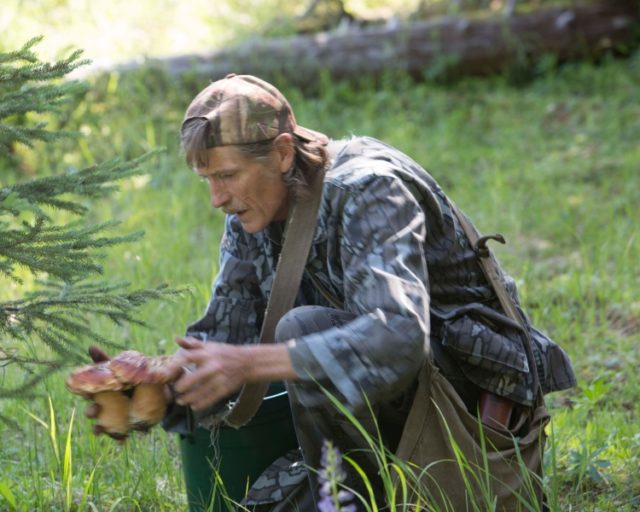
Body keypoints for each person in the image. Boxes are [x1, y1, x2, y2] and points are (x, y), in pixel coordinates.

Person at [85, 74, 576, 510]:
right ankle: (346, 494)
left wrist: (251, 362)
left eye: (227, 175)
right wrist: (157, 387)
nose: (216, 197)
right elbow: (224, 341)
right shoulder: (249, 218)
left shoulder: (369, 189)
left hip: (471, 420)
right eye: (207, 179)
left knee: (298, 329)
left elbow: (398, 338)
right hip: (390, 411)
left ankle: (350, 498)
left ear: (280, 153)